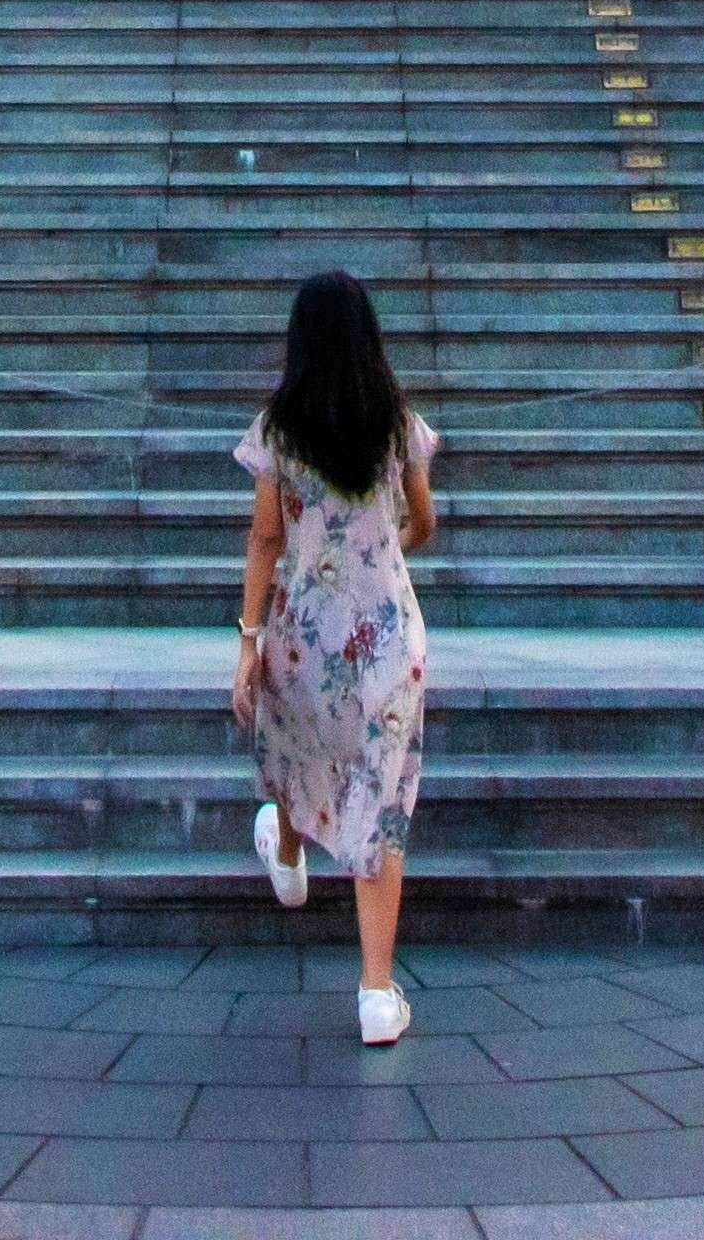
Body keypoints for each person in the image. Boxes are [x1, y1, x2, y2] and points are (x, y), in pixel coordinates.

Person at [234, 268, 438, 1042]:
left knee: (297, 742)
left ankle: (288, 852)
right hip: (389, 636)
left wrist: (248, 640)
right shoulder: (397, 423)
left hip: (308, 630)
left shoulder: (280, 428)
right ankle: (377, 992)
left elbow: (266, 537)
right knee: (381, 799)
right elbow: (422, 521)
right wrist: (381, 547)